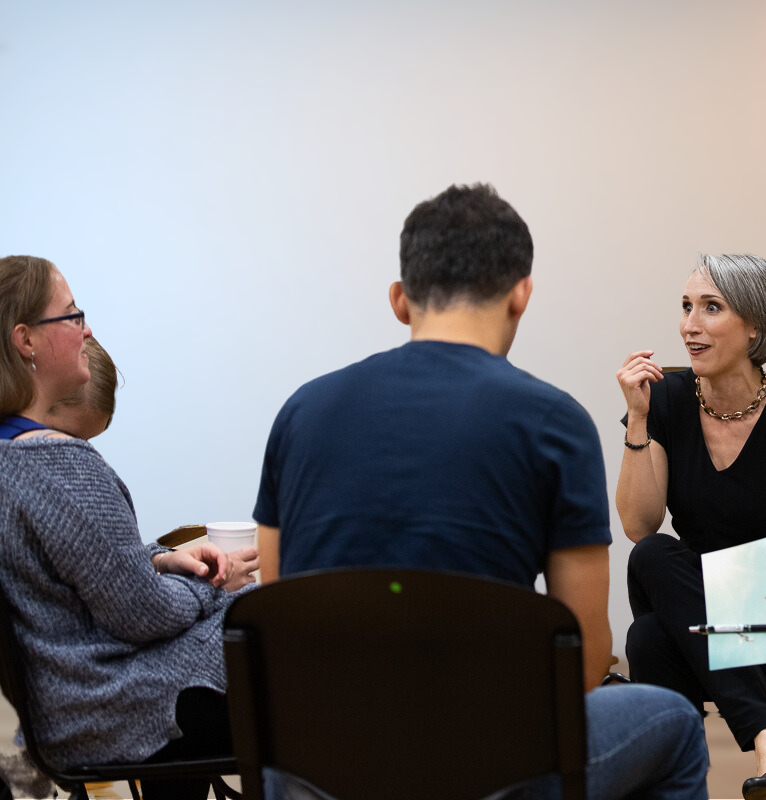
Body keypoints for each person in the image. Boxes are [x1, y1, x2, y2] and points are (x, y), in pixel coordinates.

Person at [253, 184, 708, 800]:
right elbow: (583, 658)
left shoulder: (301, 413)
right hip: (488, 768)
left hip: (319, 769)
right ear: (522, 294)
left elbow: (276, 615)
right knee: (675, 722)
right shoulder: (555, 424)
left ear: (399, 300)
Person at [0, 254, 258, 800]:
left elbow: (62, 575)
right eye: (72, 315)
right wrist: (218, 585)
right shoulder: (60, 465)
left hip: (64, 712)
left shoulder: (10, 461)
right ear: (25, 341)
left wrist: (159, 559)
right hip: (110, 710)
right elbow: (145, 616)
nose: (87, 330)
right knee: (273, 628)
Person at [615, 253, 766, 799]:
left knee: (650, 636)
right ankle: (764, 734)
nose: (690, 324)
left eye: (711, 308)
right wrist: (638, 419)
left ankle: (718, 759)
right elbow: (639, 523)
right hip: (701, 611)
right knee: (652, 556)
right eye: (686, 306)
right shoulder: (666, 398)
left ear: (756, 326)